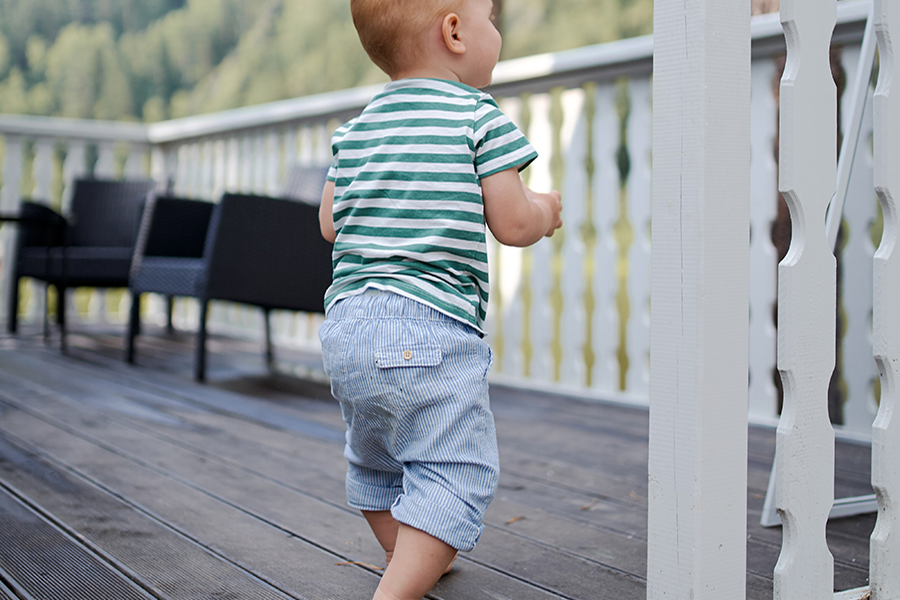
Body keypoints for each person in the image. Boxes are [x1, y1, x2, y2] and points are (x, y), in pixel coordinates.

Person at [318, 0, 562, 598]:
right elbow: (510, 222)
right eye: (491, 19)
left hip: (348, 330)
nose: (496, 32)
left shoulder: (359, 126)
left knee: (375, 463)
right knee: (457, 472)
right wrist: (545, 210)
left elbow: (328, 221)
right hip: (429, 328)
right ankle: (399, 588)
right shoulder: (476, 113)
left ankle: (411, 555)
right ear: (454, 31)